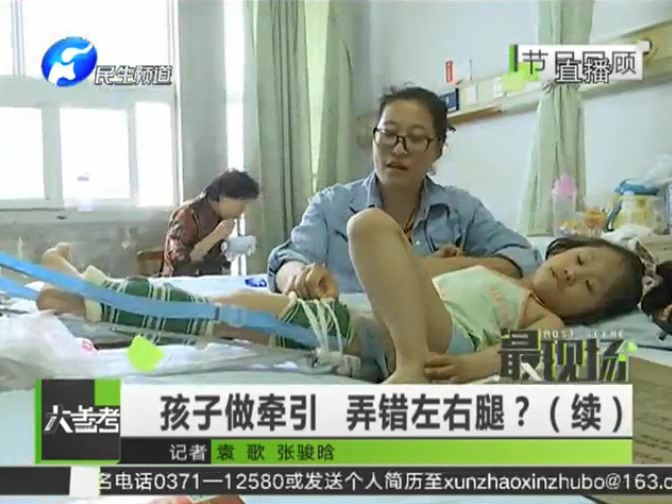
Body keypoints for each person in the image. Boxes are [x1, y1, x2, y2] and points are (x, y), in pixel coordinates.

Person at [36, 210, 643, 385]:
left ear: (593, 312)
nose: (573, 275)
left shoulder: (545, 318)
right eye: (580, 260)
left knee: (369, 224)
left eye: (590, 286)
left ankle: (409, 367)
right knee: (229, 312)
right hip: (362, 324)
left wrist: (464, 368)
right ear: (563, 248)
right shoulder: (491, 269)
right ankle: (84, 295)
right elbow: (399, 274)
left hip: (436, 345)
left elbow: (521, 358)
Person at [268, 85, 542, 299]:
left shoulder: (459, 210)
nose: (398, 149)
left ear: (438, 150)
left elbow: (523, 258)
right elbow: (287, 260)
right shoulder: (331, 205)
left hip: (433, 340)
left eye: (416, 138)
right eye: (388, 134)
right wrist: (298, 277)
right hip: (348, 336)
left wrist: (441, 269)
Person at [161, 170, 260, 277]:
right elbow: (178, 263)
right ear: (223, 197)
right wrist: (216, 236)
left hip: (211, 281)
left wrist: (232, 247)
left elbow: (217, 258)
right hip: (180, 283)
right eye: (241, 205)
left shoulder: (220, 216)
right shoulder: (187, 214)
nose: (242, 211)